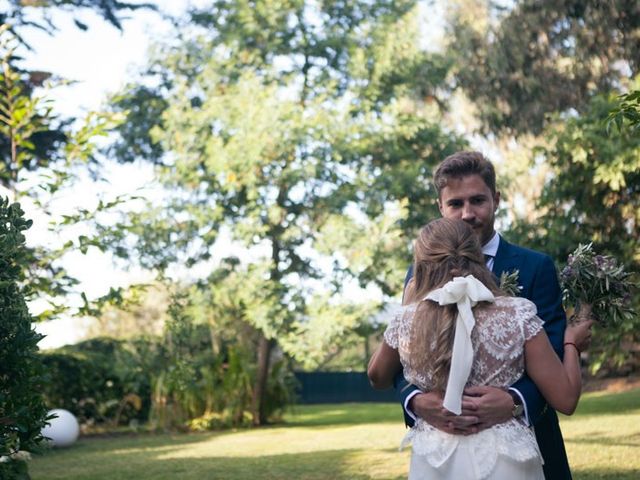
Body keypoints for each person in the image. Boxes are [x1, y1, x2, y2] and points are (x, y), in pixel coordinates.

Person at [397, 151, 577, 479]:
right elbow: (402, 352)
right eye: (455, 204)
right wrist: (414, 401)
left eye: (477, 200)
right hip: (443, 451)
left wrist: (515, 399)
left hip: (522, 442)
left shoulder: (536, 267)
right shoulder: (418, 272)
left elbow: (550, 348)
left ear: (496, 199)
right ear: (440, 207)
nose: (467, 214)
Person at [367, 218, 593, 479]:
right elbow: (566, 399)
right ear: (477, 256)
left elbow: (377, 376)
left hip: (436, 462)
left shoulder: (406, 319)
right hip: (507, 459)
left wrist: (407, 306)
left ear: (422, 266)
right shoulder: (518, 313)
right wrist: (571, 344)